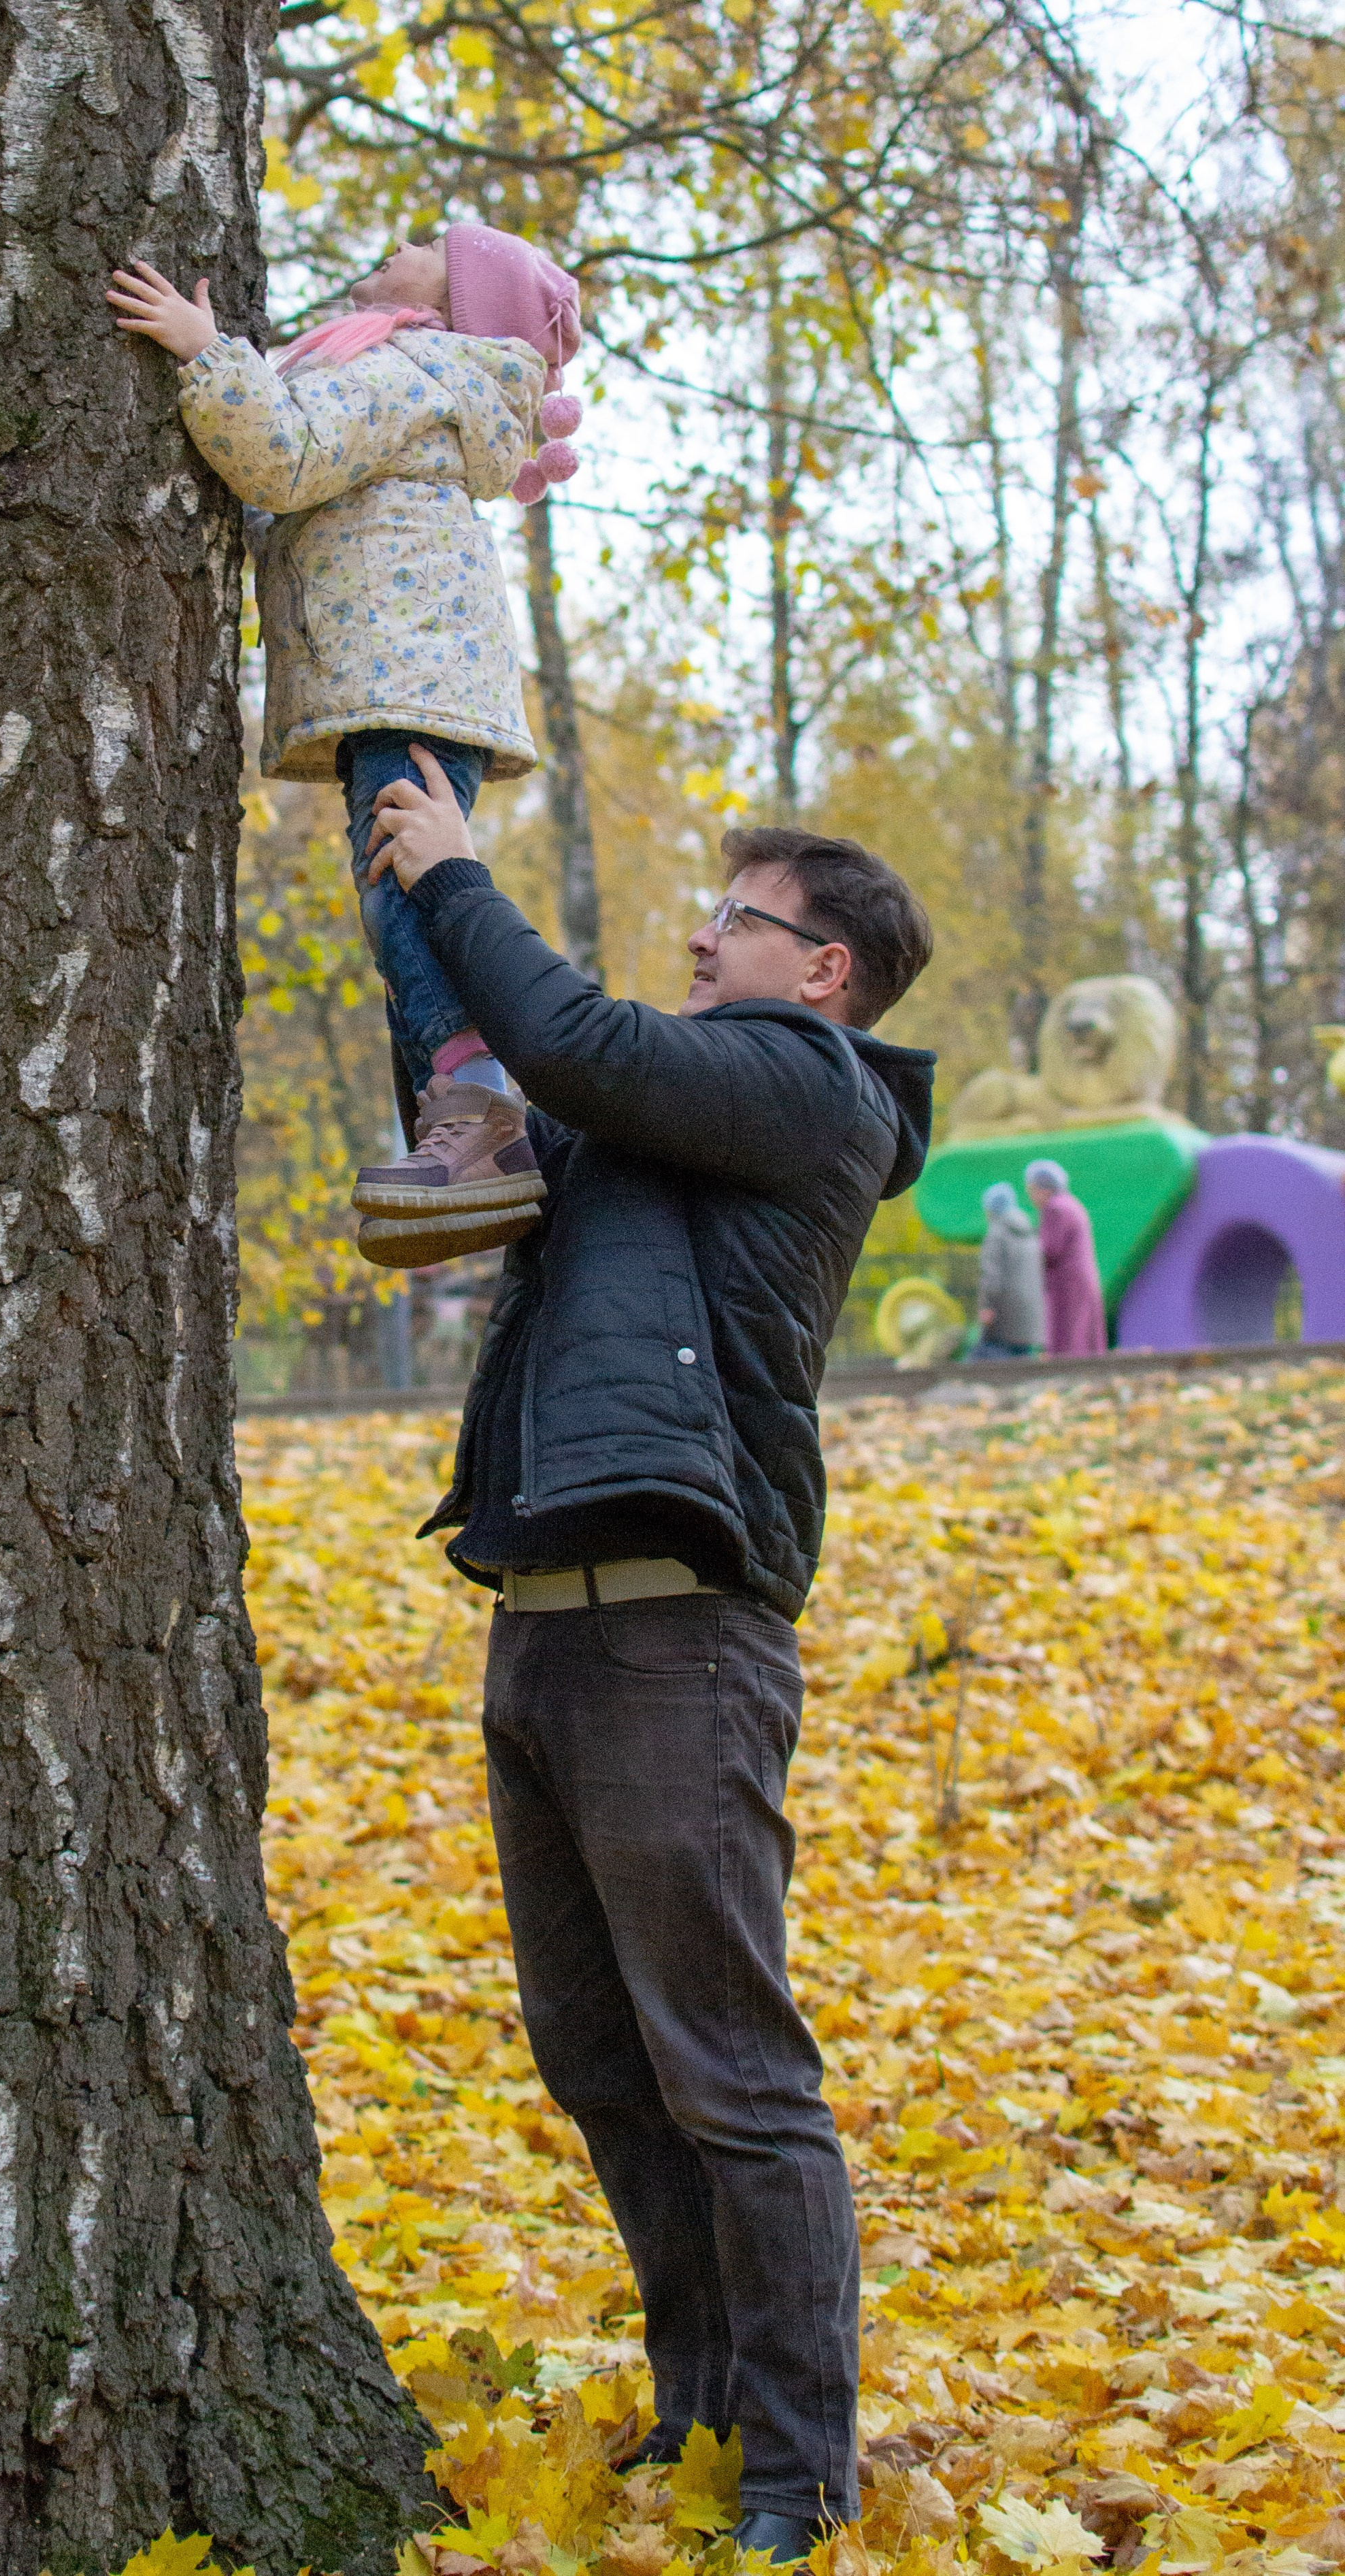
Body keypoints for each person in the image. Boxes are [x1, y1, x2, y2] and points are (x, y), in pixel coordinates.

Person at [363, 750, 935, 2560]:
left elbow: (585, 1045)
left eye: (737, 917)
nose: (703, 933)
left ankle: (793, 2472)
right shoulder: (656, 1119)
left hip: (674, 1644)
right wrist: (413, 925)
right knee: (597, 2057)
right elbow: (499, 1101)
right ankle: (697, 2404)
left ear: (821, 966)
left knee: (731, 2075)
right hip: (540, 1634)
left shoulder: (803, 1091)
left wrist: (462, 875)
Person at [106, 226, 584, 1263]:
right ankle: (459, 1140)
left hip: (405, 681)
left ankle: (482, 1128)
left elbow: (283, 454)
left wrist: (204, 350)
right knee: (396, 900)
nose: (399, 242)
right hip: (400, 679)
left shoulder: (418, 366)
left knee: (409, 893)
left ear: (457, 302)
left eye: (427, 244)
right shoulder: (426, 373)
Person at [1025, 1158, 1107, 1355]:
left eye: (1032, 1190)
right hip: (1080, 1279)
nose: (1031, 1197)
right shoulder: (1071, 1204)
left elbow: (1049, 1250)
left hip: (1067, 1283)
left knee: (1069, 1337)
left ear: (1044, 1189)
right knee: (1084, 1335)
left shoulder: (1055, 1209)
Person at [974, 1180, 1044, 1357]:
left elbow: (991, 1276)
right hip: (1030, 1316)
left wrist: (987, 1307)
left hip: (1004, 1316)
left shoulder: (997, 1234)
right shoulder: (1028, 1231)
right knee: (1022, 1369)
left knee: (991, 1367)